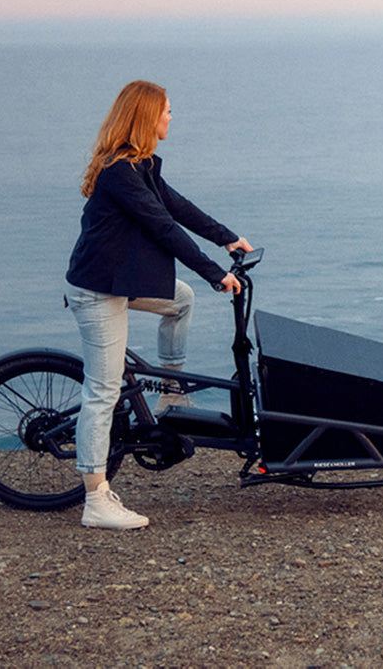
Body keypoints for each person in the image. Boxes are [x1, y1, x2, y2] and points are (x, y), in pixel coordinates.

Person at [64, 80, 250, 530]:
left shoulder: (139, 165)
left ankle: (169, 394)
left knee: (179, 300)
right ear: (148, 117)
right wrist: (214, 274)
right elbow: (163, 228)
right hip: (99, 291)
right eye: (167, 111)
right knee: (103, 392)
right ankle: (96, 499)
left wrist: (226, 238)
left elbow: (178, 207)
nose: (172, 117)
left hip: (121, 282)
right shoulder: (119, 174)